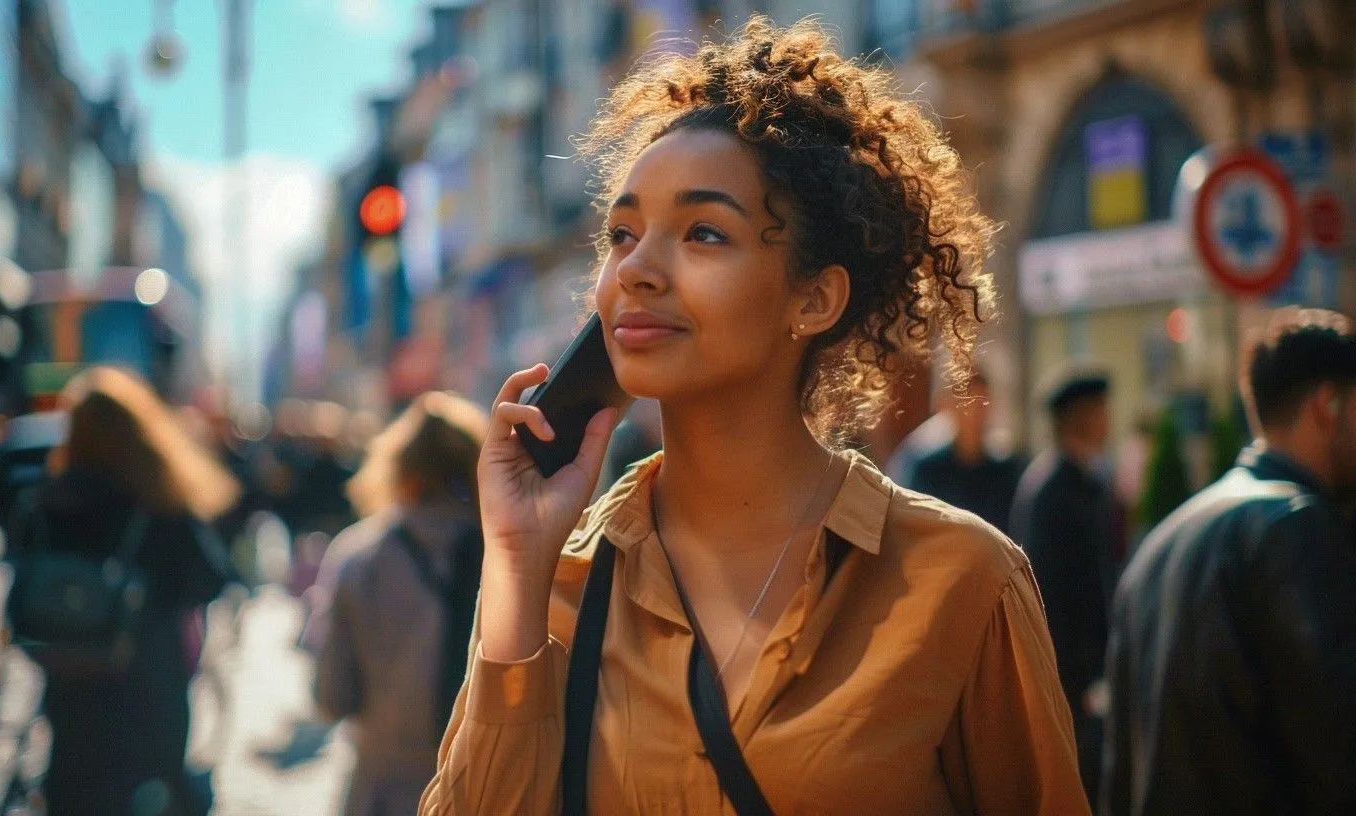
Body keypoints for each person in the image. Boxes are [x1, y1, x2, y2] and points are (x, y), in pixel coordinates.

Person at [420, 17, 1085, 814]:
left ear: (814, 298)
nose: (636, 270)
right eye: (622, 234)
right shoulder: (558, 581)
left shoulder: (963, 580)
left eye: (703, 232)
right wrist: (515, 569)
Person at [1101, 310, 1356, 816]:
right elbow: (1338, 745)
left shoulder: (1158, 545)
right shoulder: (1295, 524)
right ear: (1327, 404)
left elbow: (1120, 776)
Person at [4, 367, 238, 816]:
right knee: (151, 792)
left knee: (73, 787)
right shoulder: (158, 503)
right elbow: (210, 579)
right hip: (147, 684)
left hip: (70, 677)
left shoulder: (46, 501)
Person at [311, 392, 488, 815]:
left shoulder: (358, 556)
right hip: (483, 788)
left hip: (382, 791)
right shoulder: (509, 556)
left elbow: (331, 694)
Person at [1009, 363, 1119, 801]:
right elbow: (1049, 591)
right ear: (1081, 416)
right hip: (1070, 677)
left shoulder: (1086, 482)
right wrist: (1082, 672)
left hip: (1088, 671)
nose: (1107, 421)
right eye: (1100, 411)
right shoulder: (1052, 491)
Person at [907, 369, 1025, 534]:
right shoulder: (928, 470)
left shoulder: (1007, 471)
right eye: (967, 404)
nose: (975, 413)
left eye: (981, 403)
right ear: (949, 406)